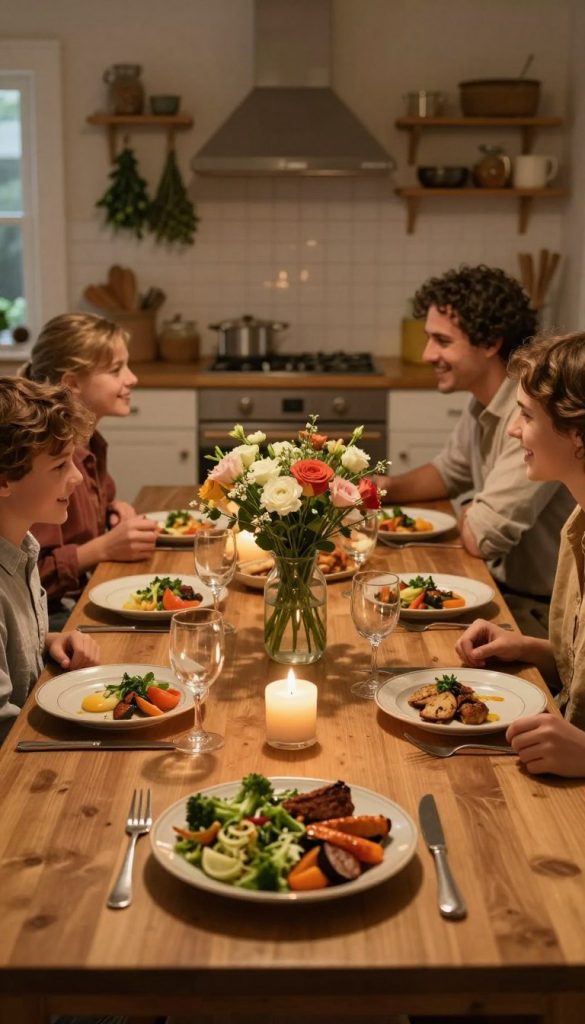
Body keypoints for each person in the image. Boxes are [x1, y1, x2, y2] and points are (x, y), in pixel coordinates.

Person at [375, 265, 574, 634]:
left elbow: (482, 536)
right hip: (505, 591)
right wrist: (378, 487)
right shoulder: (484, 401)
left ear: (489, 343)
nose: (427, 355)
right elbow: (449, 472)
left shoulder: (528, 419)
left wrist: (470, 509)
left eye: (442, 341)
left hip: (539, 616)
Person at [455, 331, 585, 777]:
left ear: (578, 436)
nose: (513, 430)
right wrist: (530, 648)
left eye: (526, 416)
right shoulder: (578, 525)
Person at [22, 314, 158, 627]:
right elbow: (29, 577)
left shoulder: (90, 441)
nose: (132, 378)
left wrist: (112, 510)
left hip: (81, 596)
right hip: (51, 618)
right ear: (71, 383)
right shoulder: (45, 459)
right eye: (116, 370)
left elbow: (84, 518)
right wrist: (104, 548)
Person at [0, 377, 100, 742]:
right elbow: (5, 734)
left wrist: (47, 641)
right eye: (59, 466)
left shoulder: (21, 547)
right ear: (4, 480)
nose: (75, 477)